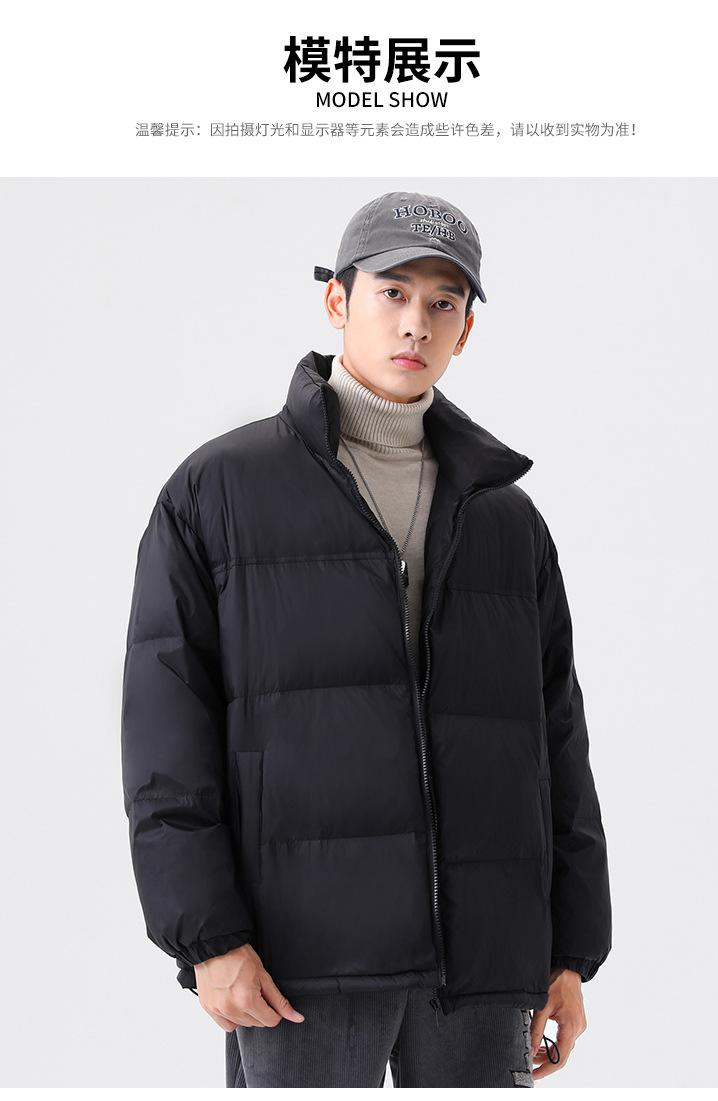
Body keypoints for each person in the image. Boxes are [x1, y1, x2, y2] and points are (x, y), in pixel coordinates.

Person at [120, 190, 612, 1088]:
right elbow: (166, 736)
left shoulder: (506, 518)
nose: (416, 322)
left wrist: (569, 950)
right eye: (393, 292)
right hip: (298, 962)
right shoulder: (218, 492)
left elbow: (556, 741)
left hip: (480, 961)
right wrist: (208, 936)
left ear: (465, 330)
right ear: (338, 300)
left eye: (443, 302)